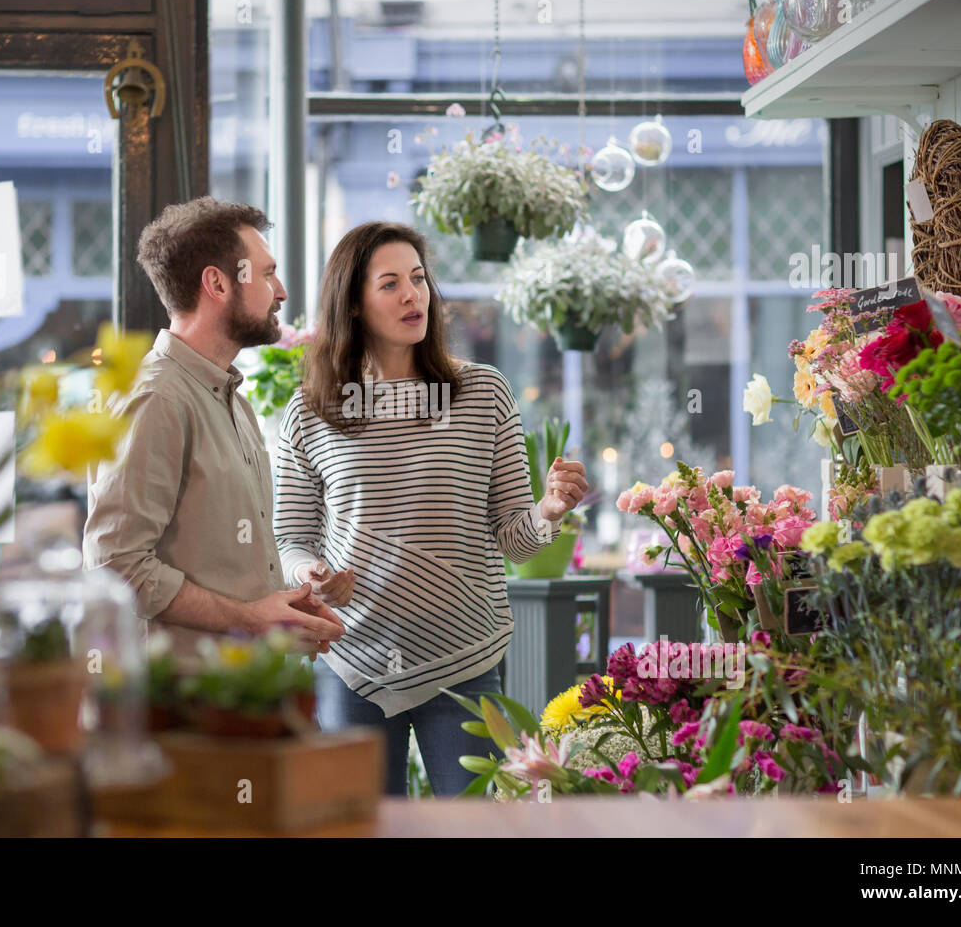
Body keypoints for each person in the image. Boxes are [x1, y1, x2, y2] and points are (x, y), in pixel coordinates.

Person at [273, 221, 587, 796]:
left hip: (464, 656)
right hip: (352, 659)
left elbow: (514, 540)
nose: (413, 295)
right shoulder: (311, 411)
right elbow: (289, 537)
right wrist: (308, 575)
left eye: (418, 279)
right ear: (354, 304)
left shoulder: (484, 394)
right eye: (389, 283)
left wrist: (548, 510)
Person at [83, 196, 345, 657]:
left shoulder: (232, 401)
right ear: (217, 283)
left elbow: (230, 564)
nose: (281, 291)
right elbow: (114, 564)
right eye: (266, 274)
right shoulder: (155, 399)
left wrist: (287, 608)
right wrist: (250, 620)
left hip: (243, 695)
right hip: (185, 708)